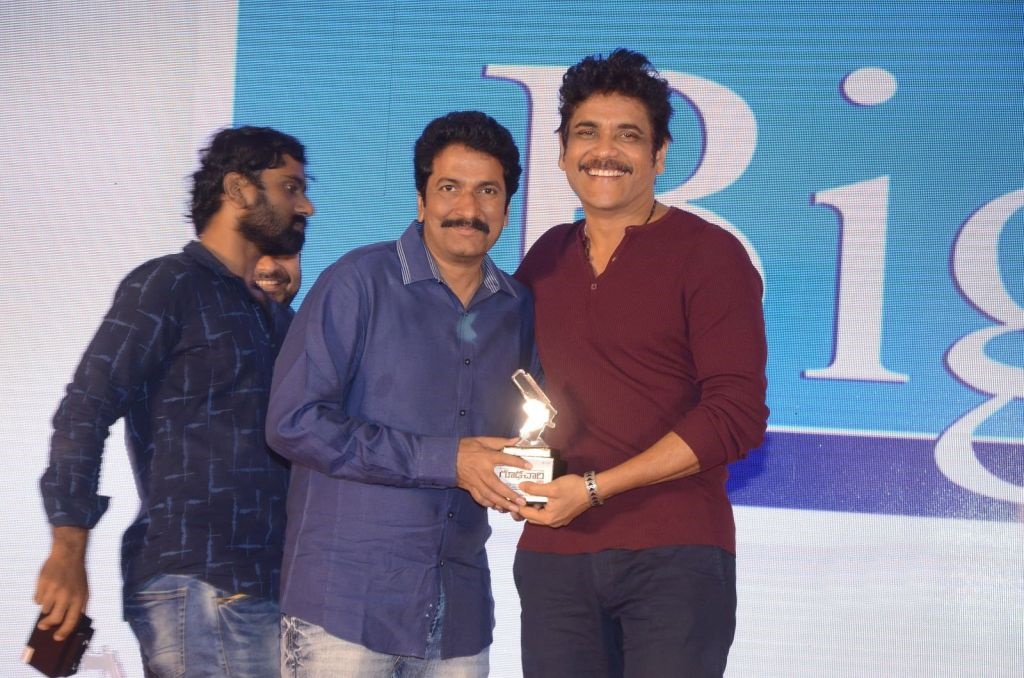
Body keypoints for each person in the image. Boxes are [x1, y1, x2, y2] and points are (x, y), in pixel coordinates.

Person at [513, 49, 769, 677]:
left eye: (628, 135)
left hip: (675, 555)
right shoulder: (545, 257)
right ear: (562, 152)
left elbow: (736, 416)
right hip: (554, 555)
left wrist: (595, 489)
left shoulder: (710, 255)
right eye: (587, 133)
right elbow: (503, 384)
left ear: (659, 155)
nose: (605, 151)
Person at [35, 125, 314, 676]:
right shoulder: (168, 284)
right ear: (238, 189)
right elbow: (85, 408)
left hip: (269, 588)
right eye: (290, 187)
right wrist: (68, 548)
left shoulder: (274, 317)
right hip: (199, 581)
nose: (305, 205)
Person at [266, 111, 536, 677]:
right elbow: (294, 421)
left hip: (458, 613)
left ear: (507, 208)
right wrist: (448, 460)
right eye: (450, 188)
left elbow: (528, 432)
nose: (468, 207)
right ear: (421, 200)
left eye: (488, 191)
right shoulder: (358, 282)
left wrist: (527, 477)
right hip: (346, 608)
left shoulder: (517, 309)